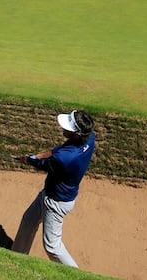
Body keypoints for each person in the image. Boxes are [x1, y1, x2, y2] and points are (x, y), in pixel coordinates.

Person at [12, 110, 97, 268]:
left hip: (55, 202)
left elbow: (42, 163)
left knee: (52, 246)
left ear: (77, 134)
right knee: (28, 221)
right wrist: (39, 155)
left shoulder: (65, 159)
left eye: (68, 128)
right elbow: (58, 151)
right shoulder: (90, 137)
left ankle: (77, 275)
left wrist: (28, 160)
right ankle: (16, 257)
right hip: (51, 193)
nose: (63, 128)